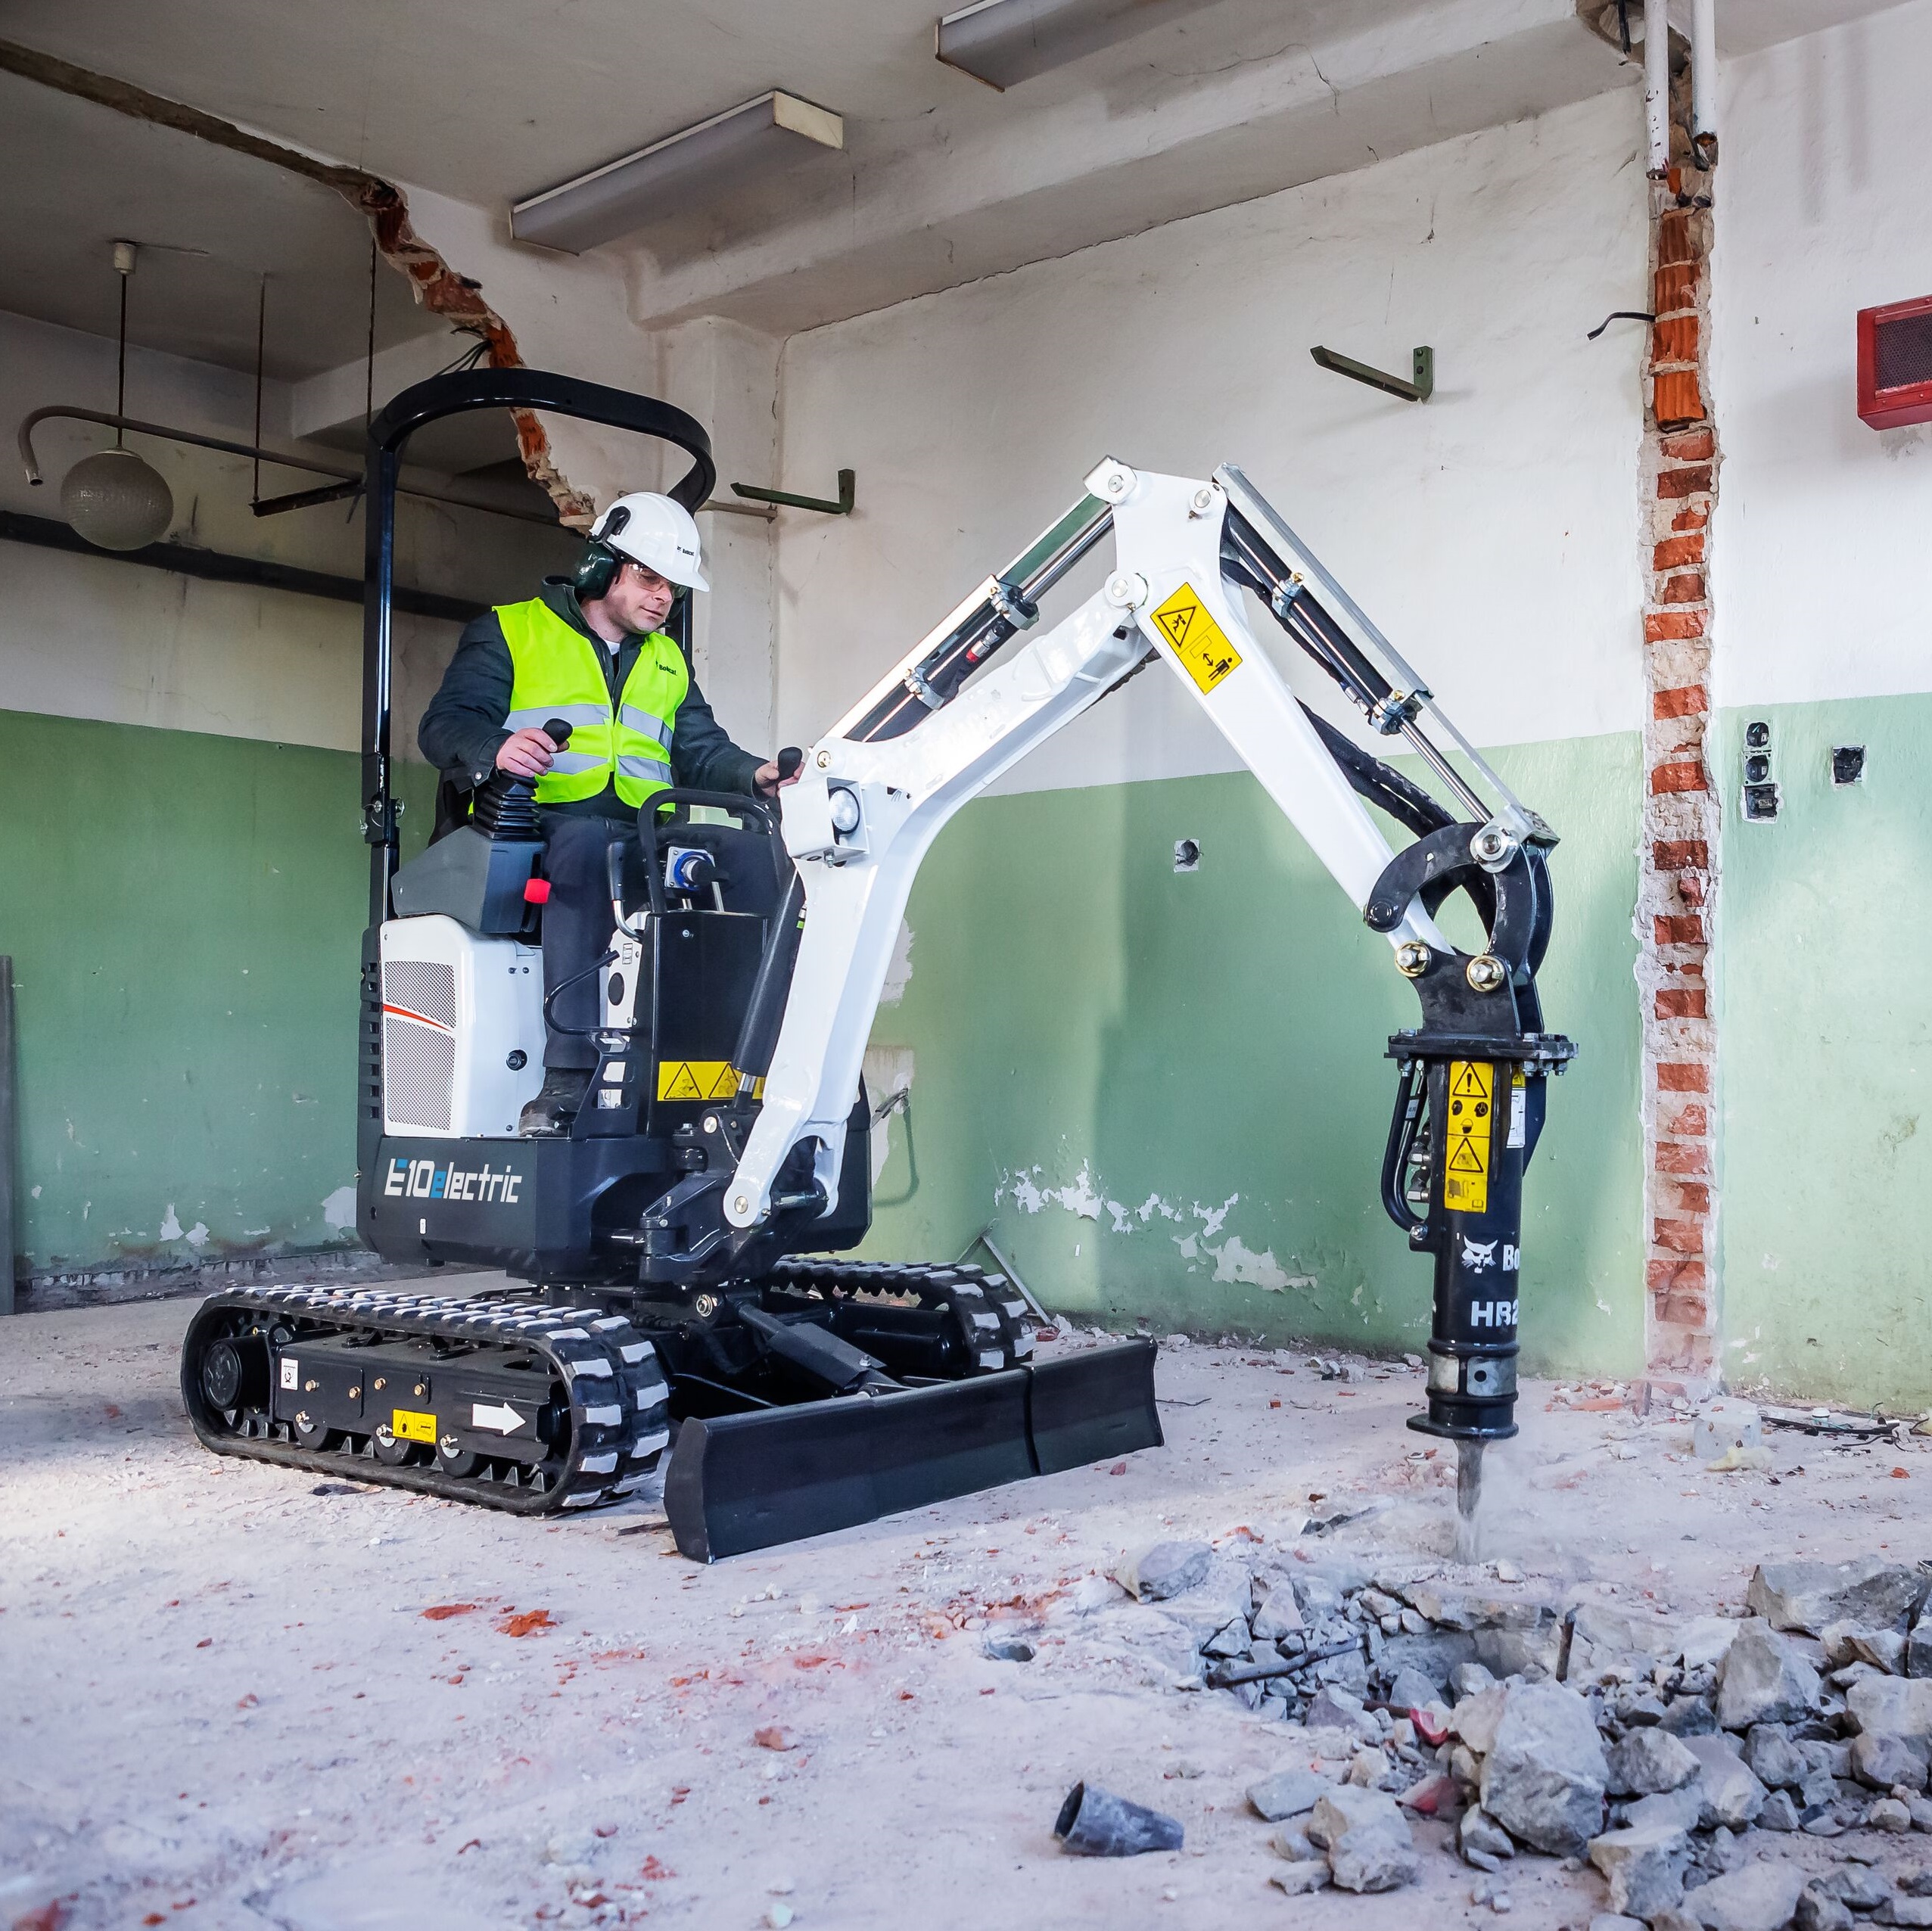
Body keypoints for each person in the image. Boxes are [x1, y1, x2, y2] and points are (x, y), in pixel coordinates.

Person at [418, 492, 793, 1135]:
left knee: (755, 855)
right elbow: (444, 726)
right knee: (592, 850)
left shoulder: (667, 660)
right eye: (649, 578)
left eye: (672, 588)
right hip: (544, 821)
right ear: (600, 568)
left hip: (646, 825)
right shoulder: (512, 631)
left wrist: (755, 776)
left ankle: (752, 1061)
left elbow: (700, 749)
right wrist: (498, 747)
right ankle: (568, 1077)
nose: (662, 599)